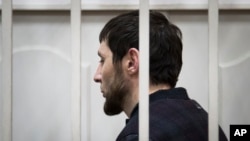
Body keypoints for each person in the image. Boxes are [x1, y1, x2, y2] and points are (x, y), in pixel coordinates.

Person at [93, 10, 228, 141]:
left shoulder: (140, 135)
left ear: (132, 63)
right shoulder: (205, 123)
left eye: (103, 60)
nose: (96, 76)